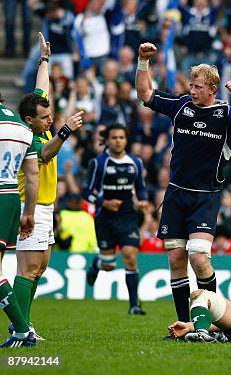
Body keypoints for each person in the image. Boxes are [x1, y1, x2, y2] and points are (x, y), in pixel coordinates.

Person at [135, 42, 231, 324]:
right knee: (176, 259)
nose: (192, 90)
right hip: (177, 195)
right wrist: (143, 61)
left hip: (206, 197)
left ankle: (211, 322)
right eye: (191, 85)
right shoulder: (181, 106)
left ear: (212, 89)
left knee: (200, 258)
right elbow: (145, 94)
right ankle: (185, 323)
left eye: (198, 86)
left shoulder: (226, 114)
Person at [12, 33, 83, 342]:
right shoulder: (29, 138)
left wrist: (44, 59)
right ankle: (20, 328)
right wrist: (65, 131)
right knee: (27, 270)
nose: (50, 118)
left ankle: (24, 325)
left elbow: (44, 89)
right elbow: (46, 154)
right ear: (30, 120)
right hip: (30, 208)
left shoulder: (39, 125)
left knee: (38, 270)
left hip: (46, 206)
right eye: (44, 117)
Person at [82, 124, 148, 315]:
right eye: (114, 137)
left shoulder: (135, 162)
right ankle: (97, 264)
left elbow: (141, 188)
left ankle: (134, 306)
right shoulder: (99, 163)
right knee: (109, 265)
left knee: (130, 255)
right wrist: (104, 202)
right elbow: (86, 192)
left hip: (127, 216)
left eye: (121, 137)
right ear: (107, 140)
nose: (118, 141)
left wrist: (142, 202)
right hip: (105, 218)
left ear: (126, 140)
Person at [0, 87, 39, 348]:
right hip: (12, 197)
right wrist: (29, 213)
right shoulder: (22, 127)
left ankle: (23, 330)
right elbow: (33, 174)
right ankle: (22, 329)